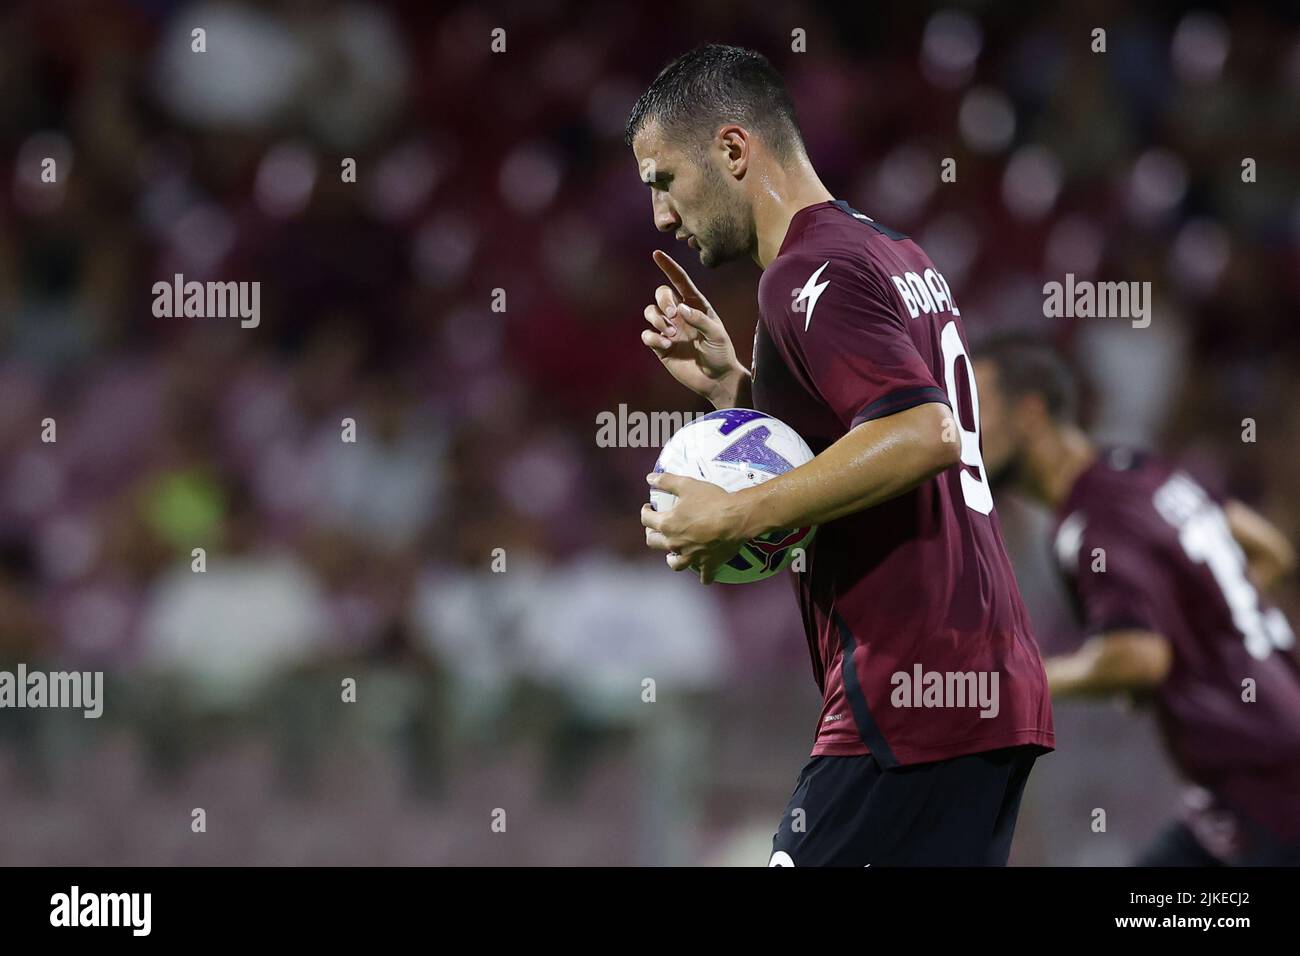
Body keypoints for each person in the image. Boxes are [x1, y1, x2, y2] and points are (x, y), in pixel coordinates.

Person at [626, 44, 1053, 866]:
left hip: (913, 691)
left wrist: (735, 514)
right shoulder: (892, 252)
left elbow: (921, 434)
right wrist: (737, 392)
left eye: (662, 180)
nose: (660, 218)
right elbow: (869, 434)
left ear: (732, 149)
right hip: (979, 685)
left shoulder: (802, 274)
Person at [973, 334, 1300, 865]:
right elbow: (1270, 549)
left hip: (1264, 783)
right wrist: (1205, 630)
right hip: (1251, 769)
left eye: (977, 406)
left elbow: (1139, 658)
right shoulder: (1139, 468)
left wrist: (1018, 680)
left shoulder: (1093, 519)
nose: (963, 428)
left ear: (1030, 412)